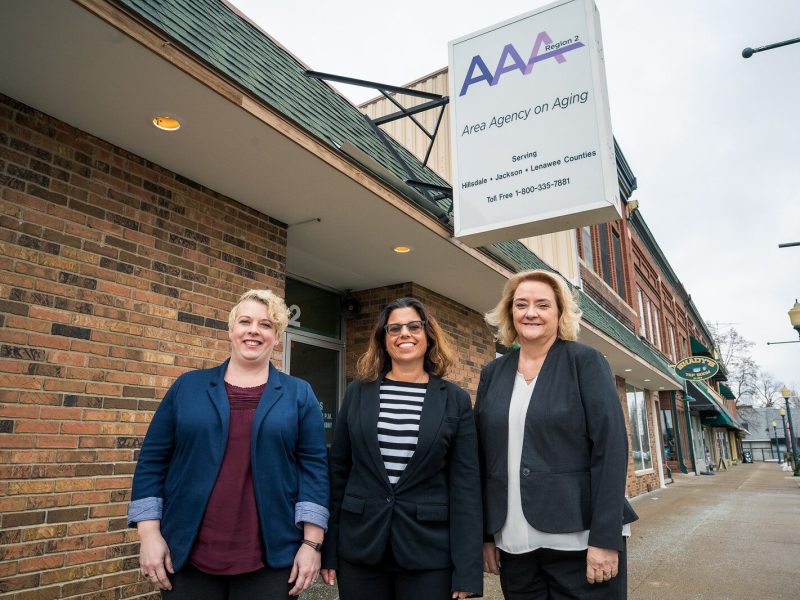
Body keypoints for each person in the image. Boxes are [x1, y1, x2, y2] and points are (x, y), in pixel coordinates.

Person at [127, 289, 329, 598]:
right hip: (187, 556)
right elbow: (152, 461)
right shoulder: (187, 387)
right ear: (231, 330)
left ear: (276, 337)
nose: (254, 330)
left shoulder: (299, 394)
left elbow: (314, 470)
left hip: (272, 560)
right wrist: (149, 534)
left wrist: (311, 544)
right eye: (245, 321)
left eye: (266, 324)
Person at [475, 270, 637, 599]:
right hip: (514, 542)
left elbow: (611, 450)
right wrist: (486, 535)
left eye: (542, 305)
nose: (530, 312)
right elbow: (482, 457)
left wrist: (605, 539)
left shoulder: (586, 362)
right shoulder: (493, 373)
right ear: (509, 313)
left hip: (580, 539)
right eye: (521, 304)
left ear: (560, 312)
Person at [321, 297, 483, 600]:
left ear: (428, 335)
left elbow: (466, 488)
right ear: (383, 339)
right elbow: (338, 472)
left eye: (413, 326)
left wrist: (467, 570)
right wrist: (328, 550)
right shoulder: (358, 392)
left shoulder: (454, 399)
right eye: (393, 328)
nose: (403, 334)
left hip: (428, 553)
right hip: (361, 548)